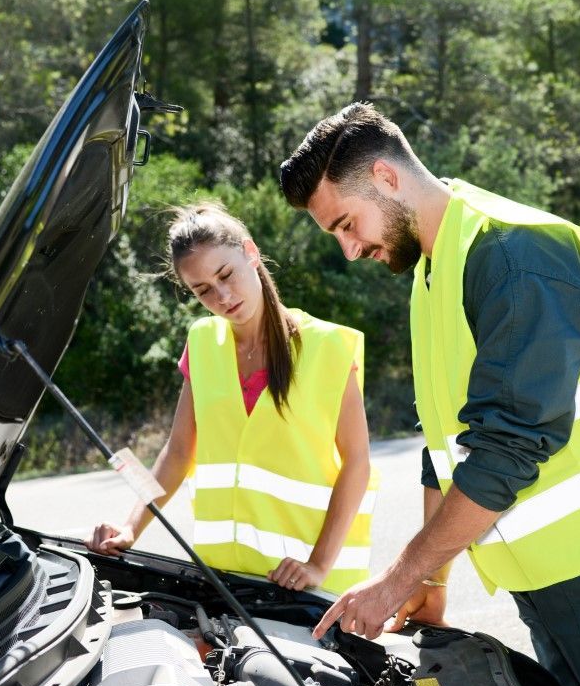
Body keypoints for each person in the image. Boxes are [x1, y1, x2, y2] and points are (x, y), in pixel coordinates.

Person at [279, 103, 580, 686]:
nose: (348, 249)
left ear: (386, 178)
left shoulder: (516, 254)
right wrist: (433, 578)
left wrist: (397, 579)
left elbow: (507, 450)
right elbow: (446, 447)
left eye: (345, 223)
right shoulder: (434, 270)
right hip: (559, 580)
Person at [87, 202, 378, 596]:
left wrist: (318, 563)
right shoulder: (203, 343)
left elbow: (357, 461)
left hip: (310, 589)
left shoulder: (326, 346)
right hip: (225, 582)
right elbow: (177, 453)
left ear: (251, 253)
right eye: (203, 290)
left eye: (226, 274)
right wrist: (130, 526)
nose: (222, 296)